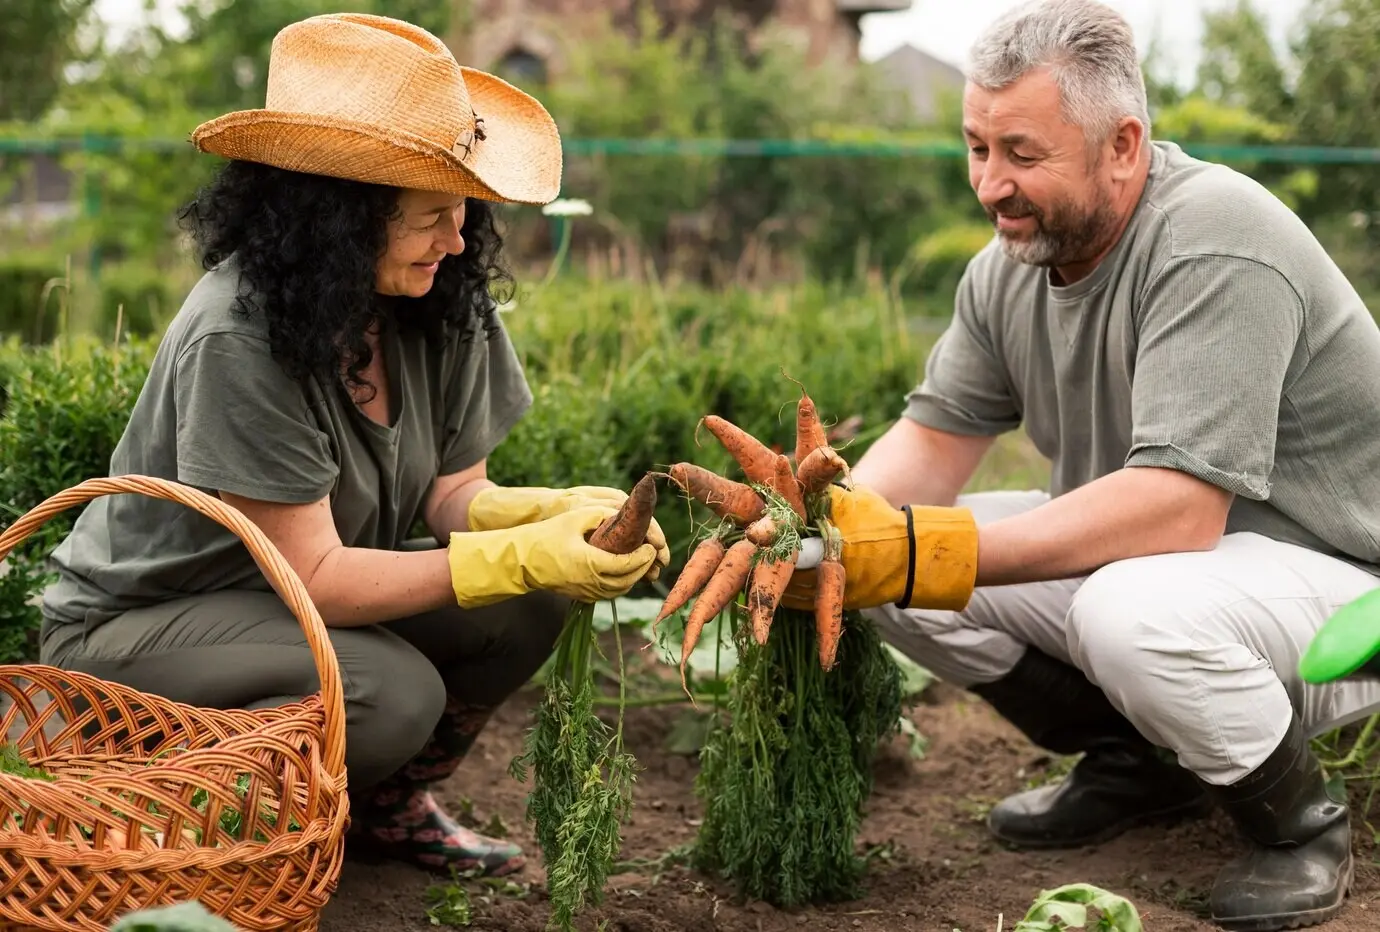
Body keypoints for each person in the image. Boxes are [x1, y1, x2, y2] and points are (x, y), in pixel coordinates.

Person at [784, 1, 1380, 929]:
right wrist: (814, 532)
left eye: (1023, 154)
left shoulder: (1213, 235)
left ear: (1123, 145)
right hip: (1195, 579)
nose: (990, 185)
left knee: (1121, 609)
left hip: (1344, 585)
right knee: (867, 572)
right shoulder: (1006, 270)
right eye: (977, 148)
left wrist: (916, 547)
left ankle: (1300, 825)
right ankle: (1141, 766)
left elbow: (1177, 513)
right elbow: (935, 444)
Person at [36, 12, 668, 880]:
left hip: (287, 605)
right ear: (335, 220)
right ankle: (166, 820)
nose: (455, 243)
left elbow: (450, 498)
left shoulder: (438, 299)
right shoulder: (241, 336)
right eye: (429, 218)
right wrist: (516, 554)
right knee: (386, 693)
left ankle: (384, 810)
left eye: (463, 215)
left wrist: (548, 518)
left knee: (530, 605)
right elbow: (320, 579)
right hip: (144, 630)